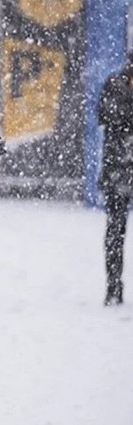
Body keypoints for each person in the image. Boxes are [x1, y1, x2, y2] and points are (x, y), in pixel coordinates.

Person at [98, 51, 133, 306]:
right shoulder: (115, 85)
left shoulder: (114, 84)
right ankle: (113, 286)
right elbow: (107, 117)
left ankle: (113, 286)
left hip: (118, 169)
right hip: (118, 169)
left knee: (115, 231)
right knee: (115, 231)